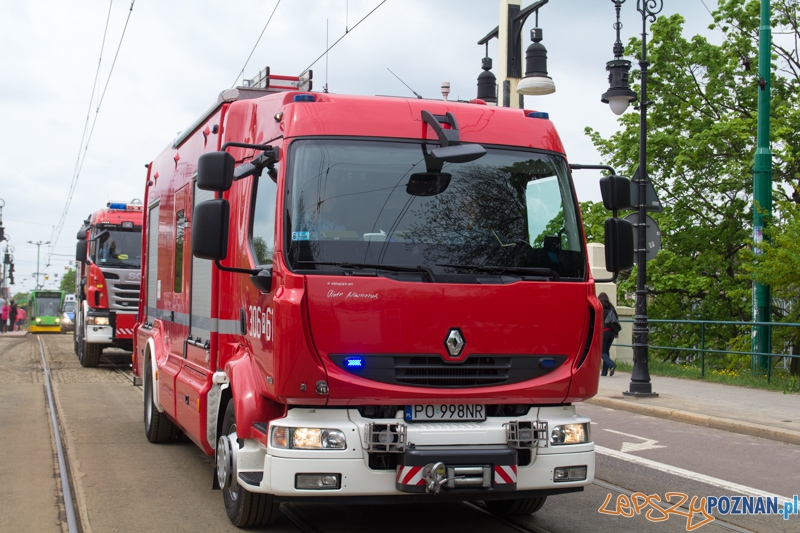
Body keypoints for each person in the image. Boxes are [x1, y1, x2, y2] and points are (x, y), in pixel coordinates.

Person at [598, 292, 621, 376]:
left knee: (601, 352)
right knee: (606, 351)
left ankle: (611, 364)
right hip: (611, 332)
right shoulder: (611, 307)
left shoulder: (599, 307)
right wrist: (616, 332)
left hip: (603, 332)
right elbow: (615, 320)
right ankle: (604, 372)